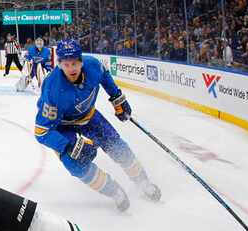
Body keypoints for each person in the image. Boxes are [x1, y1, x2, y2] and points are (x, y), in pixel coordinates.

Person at [34, 39, 161, 211]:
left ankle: (143, 181)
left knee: (117, 146)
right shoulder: (53, 89)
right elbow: (41, 131)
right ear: (60, 64)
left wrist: (117, 99)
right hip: (62, 128)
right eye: (66, 64)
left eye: (74, 63)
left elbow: (105, 77)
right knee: (75, 164)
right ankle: (114, 191)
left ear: (81, 61)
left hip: (88, 116)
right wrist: (67, 145)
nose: (71, 68)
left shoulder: (93, 65)